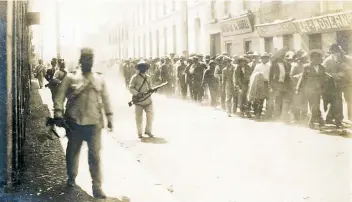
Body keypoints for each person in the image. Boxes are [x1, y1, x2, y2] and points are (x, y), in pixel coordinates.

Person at [53, 48, 113, 199]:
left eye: (90, 58)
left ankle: (97, 187)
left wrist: (109, 116)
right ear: (80, 60)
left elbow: (106, 99)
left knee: (95, 156)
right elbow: (59, 96)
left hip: (94, 124)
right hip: (75, 123)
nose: (88, 61)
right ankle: (71, 178)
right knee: (72, 153)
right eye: (85, 58)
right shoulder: (71, 78)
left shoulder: (99, 79)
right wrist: (58, 113)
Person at [296, 49, 326, 129]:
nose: (317, 60)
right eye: (315, 58)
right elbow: (302, 78)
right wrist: (298, 88)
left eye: (319, 58)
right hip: (308, 90)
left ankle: (318, 120)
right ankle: (313, 122)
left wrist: (323, 89)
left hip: (318, 91)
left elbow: (323, 79)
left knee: (315, 106)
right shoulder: (306, 67)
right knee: (314, 106)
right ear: (311, 59)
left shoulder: (322, 68)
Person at [129, 60, 155, 138]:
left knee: (150, 117)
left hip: (148, 101)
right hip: (139, 101)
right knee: (138, 118)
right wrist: (137, 93)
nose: (143, 68)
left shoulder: (148, 77)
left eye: (144, 67)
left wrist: (153, 90)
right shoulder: (135, 77)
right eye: (141, 67)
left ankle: (148, 131)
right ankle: (139, 133)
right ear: (139, 68)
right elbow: (131, 88)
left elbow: (150, 87)